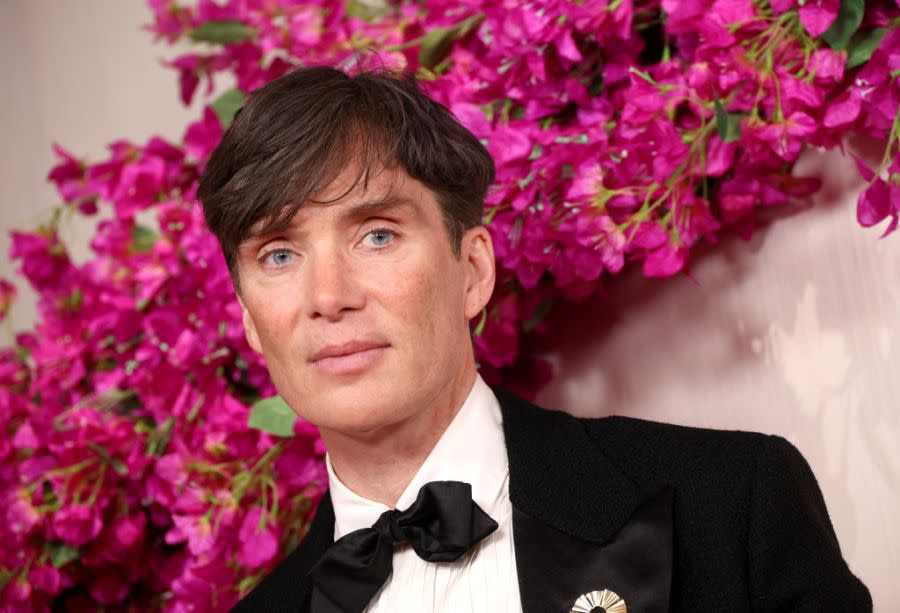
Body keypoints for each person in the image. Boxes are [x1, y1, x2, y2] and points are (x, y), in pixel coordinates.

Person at [197, 66, 872, 613]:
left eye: (377, 234)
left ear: (474, 271)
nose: (327, 296)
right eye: (279, 255)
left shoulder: (731, 502)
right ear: (251, 318)